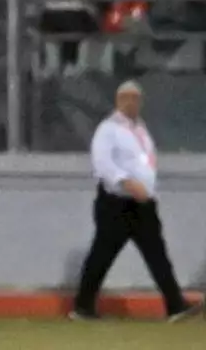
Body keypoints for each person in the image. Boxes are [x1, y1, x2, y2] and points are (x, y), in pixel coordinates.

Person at [71, 81, 202, 322]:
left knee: (157, 255)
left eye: (135, 98)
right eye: (126, 98)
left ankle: (175, 306)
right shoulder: (108, 129)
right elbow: (103, 165)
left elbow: (144, 162)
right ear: (118, 100)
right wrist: (128, 183)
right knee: (102, 255)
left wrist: (149, 190)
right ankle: (82, 307)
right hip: (116, 203)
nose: (131, 102)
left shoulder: (140, 129)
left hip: (142, 205)